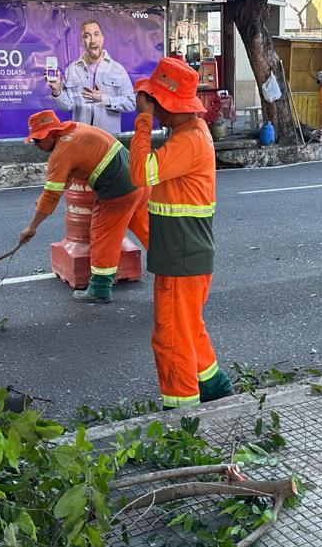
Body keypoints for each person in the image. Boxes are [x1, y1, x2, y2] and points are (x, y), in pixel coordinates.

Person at [128, 56, 233, 409]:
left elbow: (141, 172)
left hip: (182, 257)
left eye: (154, 105)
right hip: (185, 255)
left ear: (167, 104)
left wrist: (142, 121)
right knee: (189, 328)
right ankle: (215, 387)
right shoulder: (190, 134)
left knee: (170, 338)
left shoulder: (188, 140)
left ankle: (182, 417)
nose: (153, 113)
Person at [18, 111, 149, 303]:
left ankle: (99, 289)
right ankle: (175, 271)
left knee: (103, 236)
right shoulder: (76, 129)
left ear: (51, 134)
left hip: (118, 189)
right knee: (148, 230)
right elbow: (67, 179)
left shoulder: (61, 152)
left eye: (37, 140)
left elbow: (51, 196)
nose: (36, 145)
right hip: (140, 179)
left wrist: (31, 227)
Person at [48, 20, 136, 134]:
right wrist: (57, 91)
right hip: (81, 140)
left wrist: (104, 99)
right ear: (82, 41)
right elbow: (67, 106)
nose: (93, 40)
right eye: (87, 36)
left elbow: (131, 103)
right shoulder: (72, 70)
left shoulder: (117, 69)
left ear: (102, 38)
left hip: (108, 143)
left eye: (96, 34)